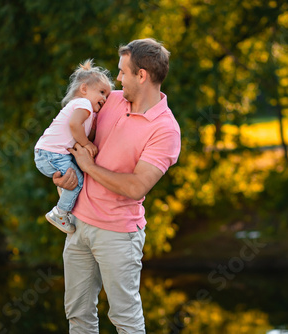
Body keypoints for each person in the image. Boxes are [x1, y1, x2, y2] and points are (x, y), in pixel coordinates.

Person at [52, 38, 181, 333]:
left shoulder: (165, 129)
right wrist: (62, 172)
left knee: (125, 318)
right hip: (77, 224)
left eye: (123, 72)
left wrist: (89, 167)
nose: (118, 78)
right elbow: (75, 141)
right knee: (78, 314)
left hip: (118, 234)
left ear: (142, 75)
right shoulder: (110, 101)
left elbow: (137, 186)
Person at [34, 59, 114, 234]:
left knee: (73, 176)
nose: (104, 98)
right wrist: (87, 144)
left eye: (107, 96)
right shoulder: (83, 103)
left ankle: (66, 201)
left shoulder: (86, 110)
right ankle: (60, 213)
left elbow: (82, 131)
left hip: (48, 153)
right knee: (76, 180)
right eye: (101, 92)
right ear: (84, 89)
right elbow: (74, 126)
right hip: (51, 154)